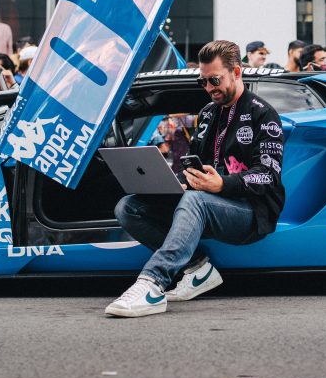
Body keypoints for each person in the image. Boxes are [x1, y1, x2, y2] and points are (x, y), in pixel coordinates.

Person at [105, 40, 286, 317]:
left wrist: (222, 184)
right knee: (128, 207)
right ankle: (198, 268)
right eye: (203, 82)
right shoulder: (208, 113)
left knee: (195, 201)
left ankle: (152, 284)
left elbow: (269, 176)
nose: (209, 88)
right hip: (205, 202)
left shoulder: (263, 113)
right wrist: (177, 181)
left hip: (250, 213)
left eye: (215, 80)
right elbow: (195, 164)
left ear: (236, 73)